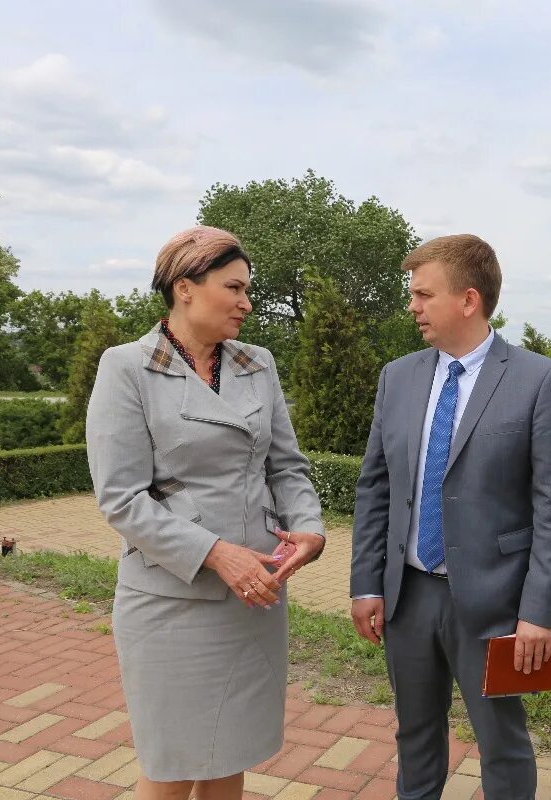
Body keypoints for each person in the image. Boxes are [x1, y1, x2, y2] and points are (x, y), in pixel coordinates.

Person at [86, 225, 326, 800]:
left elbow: (286, 466)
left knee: (228, 757)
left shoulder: (257, 363)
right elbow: (120, 497)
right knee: (172, 767)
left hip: (255, 595)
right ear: (185, 288)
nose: (247, 303)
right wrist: (217, 554)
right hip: (172, 598)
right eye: (234, 288)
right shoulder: (127, 368)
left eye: (249, 290)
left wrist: (309, 526)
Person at [349, 234, 551, 799]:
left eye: (424, 294)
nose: (413, 306)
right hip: (407, 596)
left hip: (493, 602)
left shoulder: (537, 380)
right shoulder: (397, 376)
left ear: (468, 299)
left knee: (501, 743)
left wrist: (538, 613)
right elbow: (375, 487)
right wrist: (365, 584)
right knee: (416, 732)